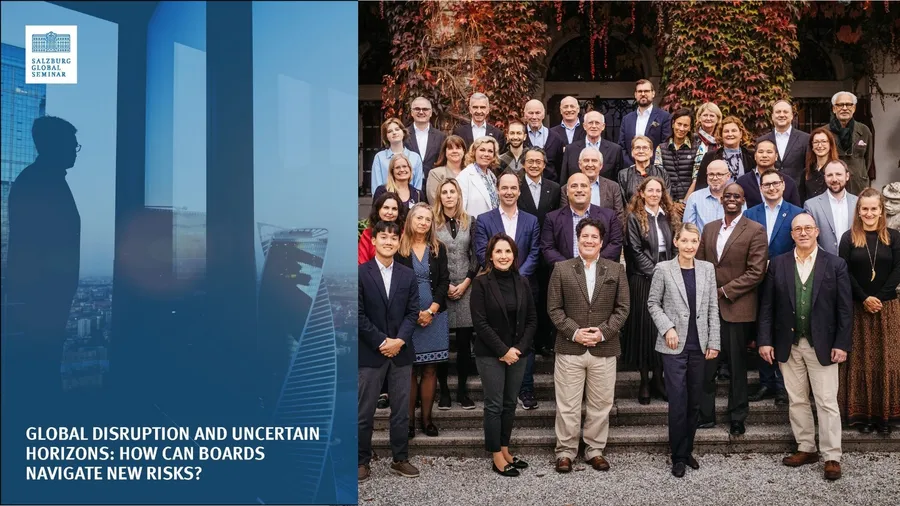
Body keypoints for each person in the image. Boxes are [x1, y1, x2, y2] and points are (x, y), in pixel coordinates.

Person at [758, 213, 852, 482]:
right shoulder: (778, 264)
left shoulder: (835, 265)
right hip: (788, 344)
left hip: (822, 345)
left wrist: (842, 344)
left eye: (807, 228)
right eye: (797, 229)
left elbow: (845, 310)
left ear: (817, 231)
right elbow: (767, 307)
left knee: (826, 401)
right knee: (797, 399)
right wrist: (765, 340)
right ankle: (806, 447)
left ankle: (832, 455)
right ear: (791, 234)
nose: (803, 233)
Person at [548, 218, 630, 473]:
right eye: (585, 236)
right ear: (578, 238)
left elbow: (623, 308)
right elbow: (554, 308)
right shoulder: (561, 269)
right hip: (570, 348)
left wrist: (602, 333)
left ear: (601, 242)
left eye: (594, 237)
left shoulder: (615, 270)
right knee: (567, 405)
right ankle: (565, 452)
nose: (589, 240)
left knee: (601, 404)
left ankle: (594, 450)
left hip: (604, 348)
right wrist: (575, 332)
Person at [647, 223, 720, 478]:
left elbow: (712, 307)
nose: (690, 246)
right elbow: (653, 303)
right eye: (685, 240)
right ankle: (677, 455)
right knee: (678, 400)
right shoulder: (663, 269)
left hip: (700, 346)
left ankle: (688, 448)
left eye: (694, 241)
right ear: (676, 241)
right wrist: (667, 328)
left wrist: (714, 342)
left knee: (695, 401)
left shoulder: (707, 269)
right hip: (674, 346)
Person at [696, 183, 768, 435]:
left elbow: (756, 272)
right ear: (721, 200)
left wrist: (724, 291)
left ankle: (737, 416)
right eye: (727, 196)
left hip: (737, 307)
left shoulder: (756, 230)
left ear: (743, 200)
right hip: (709, 307)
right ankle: (705, 415)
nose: (731, 199)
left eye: (736, 196)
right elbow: (701, 264)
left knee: (737, 367)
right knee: (708, 364)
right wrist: (707, 294)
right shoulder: (709, 228)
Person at [469, 233, 537, 477]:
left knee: (510, 403)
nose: (503, 256)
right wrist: (503, 351)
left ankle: (506, 448)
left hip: (518, 353)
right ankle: (496, 454)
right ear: (490, 255)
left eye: (508, 251)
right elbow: (480, 323)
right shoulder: (481, 283)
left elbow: (531, 319)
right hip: (490, 354)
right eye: (498, 251)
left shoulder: (523, 282)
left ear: (514, 255)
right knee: (495, 404)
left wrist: (518, 348)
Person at [358, 221, 421, 482]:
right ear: (373, 241)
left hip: (401, 352)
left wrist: (399, 341)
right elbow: (358, 315)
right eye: (382, 237)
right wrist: (382, 341)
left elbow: (412, 312)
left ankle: (400, 458)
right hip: (371, 353)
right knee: (364, 410)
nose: (388, 241)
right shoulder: (360, 273)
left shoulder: (407, 275)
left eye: (393, 238)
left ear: (398, 243)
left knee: (401, 411)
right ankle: (361, 460)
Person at [473, 171, 541, 409]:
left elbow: (534, 252)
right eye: (505, 188)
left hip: (523, 285)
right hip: (493, 289)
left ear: (519, 191)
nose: (509, 192)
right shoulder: (484, 219)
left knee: (524, 337)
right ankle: (501, 388)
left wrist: (516, 277)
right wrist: (501, 276)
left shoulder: (531, 220)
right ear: (498, 190)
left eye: (514, 188)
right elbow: (482, 251)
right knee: (499, 335)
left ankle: (526, 389)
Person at [838, 188, 900, 434]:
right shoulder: (849, 237)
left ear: (881, 210)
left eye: (874, 208)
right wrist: (865, 298)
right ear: (858, 211)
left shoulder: (893, 237)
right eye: (865, 208)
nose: (869, 213)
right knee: (861, 362)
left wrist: (879, 298)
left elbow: (898, 269)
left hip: (888, 309)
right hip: (858, 309)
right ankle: (861, 416)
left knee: (887, 361)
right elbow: (844, 271)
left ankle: (884, 417)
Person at [743, 169, 806, 405]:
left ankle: (782, 385)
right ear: (760, 188)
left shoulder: (797, 213)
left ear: (783, 185)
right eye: (766, 184)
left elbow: (802, 243)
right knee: (763, 328)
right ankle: (765, 382)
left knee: (783, 328)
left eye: (775, 183)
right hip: (757, 281)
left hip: (786, 278)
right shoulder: (750, 213)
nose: (771, 188)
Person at [394, 204, 450, 438]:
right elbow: (395, 283)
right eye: (419, 217)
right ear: (410, 220)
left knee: (430, 369)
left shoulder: (439, 248)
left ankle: (427, 420)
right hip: (407, 316)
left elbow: (444, 281)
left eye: (428, 219)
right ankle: (408, 423)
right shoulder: (399, 248)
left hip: (435, 316)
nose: (424, 222)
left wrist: (432, 309)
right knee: (409, 370)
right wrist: (414, 313)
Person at [623, 177, 676, 404]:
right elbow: (634, 251)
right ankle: (645, 381)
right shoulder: (634, 218)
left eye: (658, 190)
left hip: (667, 279)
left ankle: (659, 379)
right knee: (645, 330)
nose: (654, 194)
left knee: (662, 329)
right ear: (642, 193)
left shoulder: (669, 216)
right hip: (644, 280)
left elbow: (675, 247)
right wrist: (658, 273)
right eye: (650, 190)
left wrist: (670, 273)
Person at [433, 179, 478, 410]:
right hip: (441, 289)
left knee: (463, 345)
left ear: (459, 195)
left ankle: (461, 391)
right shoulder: (432, 221)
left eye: (452, 192)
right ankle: (444, 392)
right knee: (441, 343)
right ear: (439, 197)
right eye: (445, 192)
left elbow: (476, 255)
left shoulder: (470, 221)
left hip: (466, 289)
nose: (449, 196)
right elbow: (431, 254)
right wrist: (447, 285)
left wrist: (465, 282)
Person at [517, 147, 562, 357]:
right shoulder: (515, 186)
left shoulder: (554, 188)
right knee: (525, 299)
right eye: (530, 161)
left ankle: (543, 341)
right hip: (522, 251)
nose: (534, 165)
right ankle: (526, 341)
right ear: (523, 164)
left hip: (546, 253)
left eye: (538, 161)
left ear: (544, 165)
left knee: (545, 298)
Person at [541, 173, 624, 265]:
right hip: (565, 276)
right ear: (567, 192)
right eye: (574, 186)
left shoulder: (609, 216)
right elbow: (548, 248)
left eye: (584, 186)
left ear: (590, 190)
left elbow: (616, 243)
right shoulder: (552, 218)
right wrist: (569, 269)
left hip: (601, 274)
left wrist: (594, 265)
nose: (579, 190)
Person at [559, 146, 626, 227]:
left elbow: (619, 217)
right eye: (586, 160)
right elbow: (565, 218)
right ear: (580, 165)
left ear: (601, 165)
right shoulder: (566, 188)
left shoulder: (613, 187)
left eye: (594, 161)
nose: (590, 164)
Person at [803, 160, 858, 256]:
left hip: (854, 262)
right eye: (829, 175)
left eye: (838, 174)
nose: (834, 179)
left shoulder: (858, 203)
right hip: (824, 263)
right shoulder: (811, 205)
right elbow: (810, 237)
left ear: (847, 176)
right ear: (824, 178)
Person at [825, 91, 873, 195]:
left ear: (854, 108)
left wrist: (858, 172)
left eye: (849, 105)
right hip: (833, 183)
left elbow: (868, 159)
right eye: (840, 105)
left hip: (858, 183)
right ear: (834, 109)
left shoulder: (864, 130)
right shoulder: (824, 132)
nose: (845, 108)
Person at [560, 111, 625, 184]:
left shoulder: (615, 150)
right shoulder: (570, 149)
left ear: (603, 126)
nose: (594, 126)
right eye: (590, 123)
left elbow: (618, 180)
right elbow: (564, 179)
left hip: (605, 194)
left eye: (597, 123)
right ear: (584, 126)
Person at [619, 79, 672, 167]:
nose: (643, 94)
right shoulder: (627, 119)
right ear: (635, 95)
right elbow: (622, 146)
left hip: (655, 169)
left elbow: (665, 145)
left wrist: (650, 165)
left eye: (646, 91)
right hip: (631, 169)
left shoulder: (664, 117)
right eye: (640, 91)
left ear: (653, 93)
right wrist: (632, 165)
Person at [694, 116, 754, 192]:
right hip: (717, 201)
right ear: (721, 135)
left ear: (741, 134)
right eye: (726, 131)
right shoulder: (710, 157)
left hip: (745, 201)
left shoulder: (751, 156)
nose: (730, 134)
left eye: (734, 130)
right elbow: (701, 185)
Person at [755, 99, 810, 184]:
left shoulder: (805, 139)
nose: (781, 115)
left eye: (785, 112)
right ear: (772, 116)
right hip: (770, 191)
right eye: (778, 112)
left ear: (792, 116)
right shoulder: (762, 141)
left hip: (797, 192)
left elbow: (808, 168)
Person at [735, 139, 801, 209]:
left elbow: (796, 211)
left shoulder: (788, 182)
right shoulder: (742, 182)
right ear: (755, 156)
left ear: (776, 156)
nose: (764, 155)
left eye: (769, 152)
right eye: (760, 152)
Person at [653, 107, 698, 207]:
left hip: (690, 203)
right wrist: (671, 204)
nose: (681, 128)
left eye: (685, 125)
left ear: (690, 127)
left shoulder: (698, 148)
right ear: (673, 124)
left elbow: (696, 178)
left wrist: (684, 203)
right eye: (679, 124)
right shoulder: (661, 148)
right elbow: (659, 178)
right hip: (666, 203)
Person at [683, 160, 743, 232]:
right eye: (711, 174)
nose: (714, 178)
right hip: (703, 242)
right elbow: (688, 230)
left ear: (728, 176)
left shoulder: (737, 198)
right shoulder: (694, 198)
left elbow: (742, 226)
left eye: (719, 174)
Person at [371, 117, 424, 195]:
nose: (394, 133)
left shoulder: (415, 157)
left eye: (397, 129)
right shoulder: (379, 157)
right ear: (386, 137)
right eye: (389, 131)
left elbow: (417, 186)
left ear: (403, 132)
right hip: (387, 203)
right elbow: (376, 187)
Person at [455, 136, 501, 218]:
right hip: (474, 227)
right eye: (482, 150)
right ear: (474, 152)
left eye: (490, 151)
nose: (486, 154)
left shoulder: (492, 177)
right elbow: (460, 209)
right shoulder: (464, 176)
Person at [684, 102, 723, 199]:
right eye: (705, 115)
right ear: (699, 118)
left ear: (718, 119)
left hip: (718, 186)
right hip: (693, 186)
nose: (708, 118)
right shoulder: (691, 139)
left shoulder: (721, 141)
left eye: (712, 115)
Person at [618, 135, 671, 205]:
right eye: (637, 148)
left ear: (651, 152)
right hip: (631, 215)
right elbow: (623, 203)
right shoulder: (624, 175)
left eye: (645, 148)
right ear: (632, 152)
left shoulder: (662, 173)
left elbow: (666, 199)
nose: (641, 151)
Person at [406, 96, 447, 181]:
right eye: (417, 109)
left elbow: (443, 162)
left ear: (431, 112)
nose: (421, 112)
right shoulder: (403, 135)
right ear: (412, 112)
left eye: (425, 109)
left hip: (434, 183)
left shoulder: (441, 137)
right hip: (408, 184)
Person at [522, 99, 565, 181]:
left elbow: (560, 166)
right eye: (531, 113)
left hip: (551, 188)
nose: (534, 117)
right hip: (524, 187)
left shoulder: (556, 138)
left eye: (538, 113)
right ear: (525, 115)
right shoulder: (519, 136)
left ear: (543, 114)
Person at [359, 191, 406, 264]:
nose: (390, 212)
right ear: (378, 210)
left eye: (394, 209)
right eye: (386, 208)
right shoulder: (368, 233)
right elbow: (362, 263)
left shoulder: (404, 233)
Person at [799, 127, 839, 204]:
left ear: (830, 145)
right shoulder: (806, 172)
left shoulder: (839, 170)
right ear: (812, 146)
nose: (820, 145)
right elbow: (802, 198)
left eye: (823, 141)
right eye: (816, 142)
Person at [425, 135, 467, 204]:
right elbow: (434, 200)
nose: (454, 151)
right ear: (445, 152)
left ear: (464, 151)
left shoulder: (470, 172)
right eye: (450, 148)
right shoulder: (435, 173)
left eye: (458, 148)